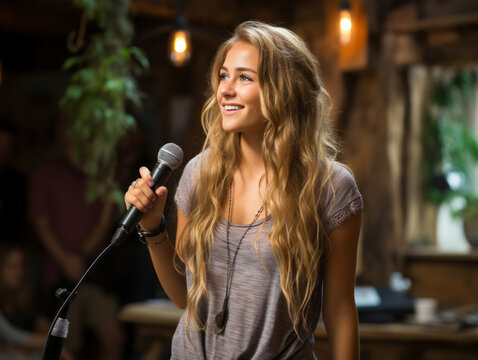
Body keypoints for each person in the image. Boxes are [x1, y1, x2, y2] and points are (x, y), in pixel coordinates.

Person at [125, 21, 363, 359]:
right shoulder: (199, 173)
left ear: (285, 90)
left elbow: (340, 312)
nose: (225, 90)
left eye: (245, 78)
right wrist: (152, 226)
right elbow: (185, 297)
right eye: (224, 76)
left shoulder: (330, 188)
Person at [28, 117, 124, 359]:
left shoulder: (101, 175)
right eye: (68, 126)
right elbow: (41, 223)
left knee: (113, 338)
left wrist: (81, 258)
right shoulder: (46, 173)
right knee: (67, 346)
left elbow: (106, 220)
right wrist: (66, 260)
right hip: (60, 277)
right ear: (59, 131)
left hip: (93, 273)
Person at [0, 242, 73, 360]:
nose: (19, 271)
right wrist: (51, 341)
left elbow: (40, 322)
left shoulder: (21, 298)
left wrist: (50, 334)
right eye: (11, 266)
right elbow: (11, 335)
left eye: (21, 265)